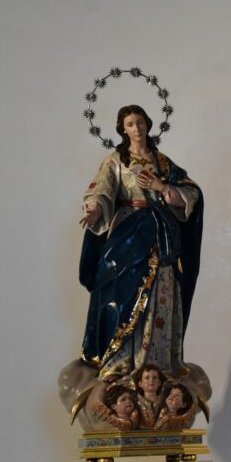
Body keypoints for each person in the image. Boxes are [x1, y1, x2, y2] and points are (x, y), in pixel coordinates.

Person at [79, 104, 203, 381]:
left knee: (162, 288)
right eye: (131, 124)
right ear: (123, 130)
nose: (137, 128)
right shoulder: (115, 161)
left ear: (148, 124)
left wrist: (161, 187)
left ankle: (157, 363)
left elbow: (192, 192)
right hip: (127, 234)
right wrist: (95, 209)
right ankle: (119, 361)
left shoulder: (163, 163)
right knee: (118, 293)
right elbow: (102, 190)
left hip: (161, 235)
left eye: (141, 122)